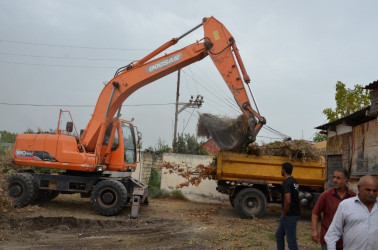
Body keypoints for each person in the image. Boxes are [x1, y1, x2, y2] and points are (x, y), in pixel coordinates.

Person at [325, 175, 378, 250]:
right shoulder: (346, 205)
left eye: (375, 191)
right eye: (368, 190)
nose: (372, 193)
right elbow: (332, 234)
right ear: (359, 187)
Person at [311, 169, 356, 250]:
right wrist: (314, 230)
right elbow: (315, 213)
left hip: (347, 241)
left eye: (338, 178)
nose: (335, 180)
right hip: (328, 239)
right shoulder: (325, 195)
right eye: (334, 177)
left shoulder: (353, 197)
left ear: (346, 181)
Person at [275, 162, 300, 250]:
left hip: (289, 214)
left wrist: (285, 213)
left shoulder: (286, 183)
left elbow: (288, 200)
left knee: (291, 242)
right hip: (290, 213)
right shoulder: (294, 181)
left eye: (282, 169)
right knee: (279, 235)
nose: (281, 170)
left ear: (284, 170)